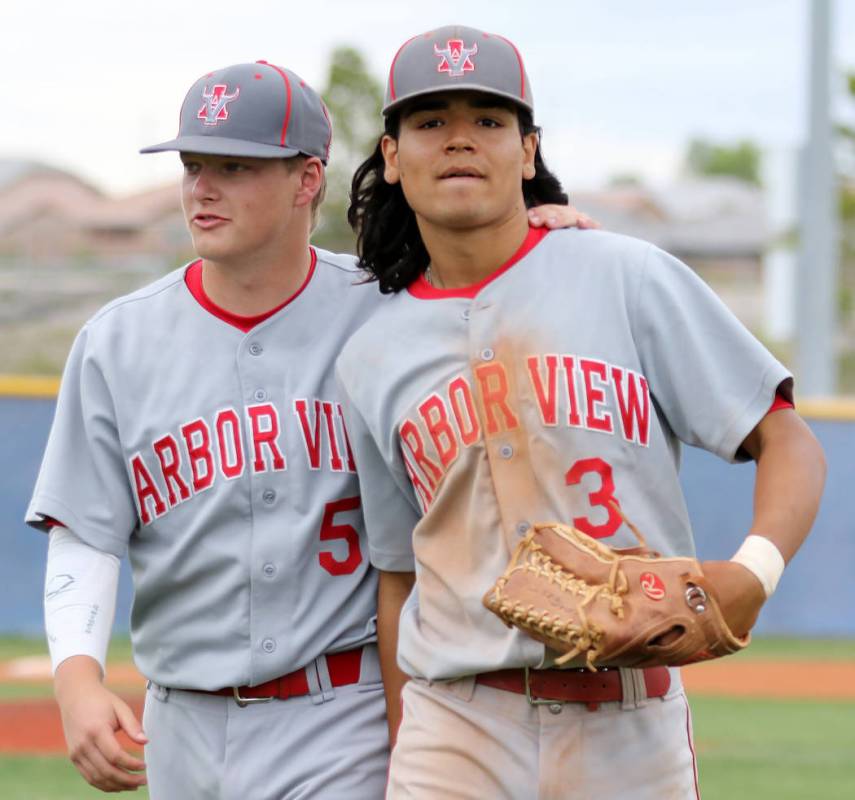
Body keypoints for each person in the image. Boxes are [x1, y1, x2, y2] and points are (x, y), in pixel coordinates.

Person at [26, 59, 589, 797]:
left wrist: (556, 243)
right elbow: (86, 530)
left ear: (307, 181)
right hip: (179, 724)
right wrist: (76, 679)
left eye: (235, 166)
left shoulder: (390, 312)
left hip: (343, 712)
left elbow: (506, 309)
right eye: (194, 165)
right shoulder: (116, 342)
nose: (202, 188)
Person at [336, 25, 826, 799]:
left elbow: (786, 439)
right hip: (456, 723)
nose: (460, 139)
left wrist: (751, 574)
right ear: (392, 157)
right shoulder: (370, 352)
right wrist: (406, 748)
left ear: (527, 153)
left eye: (488, 121)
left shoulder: (625, 275)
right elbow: (399, 574)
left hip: (629, 719)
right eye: (430, 122)